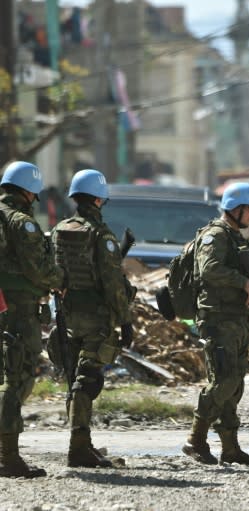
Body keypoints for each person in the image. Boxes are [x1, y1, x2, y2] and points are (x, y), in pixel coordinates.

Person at [51, 169, 136, 468]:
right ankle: (78, 448)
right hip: (97, 317)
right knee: (87, 380)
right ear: (99, 199)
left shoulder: (60, 229)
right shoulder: (101, 235)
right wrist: (126, 320)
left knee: (75, 376)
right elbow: (113, 284)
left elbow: (54, 272)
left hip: (68, 314)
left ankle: (83, 443)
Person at [183, 182, 249, 466]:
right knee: (223, 381)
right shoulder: (216, 236)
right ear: (235, 209)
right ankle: (195, 440)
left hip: (237, 321)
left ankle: (230, 447)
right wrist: (243, 283)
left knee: (235, 385)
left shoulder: (237, 238)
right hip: (217, 319)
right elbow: (209, 269)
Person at [0, 161, 65, 477]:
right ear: (28, 191)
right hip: (17, 311)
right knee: (19, 378)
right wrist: (59, 278)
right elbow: (37, 268)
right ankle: (7, 457)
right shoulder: (21, 223)